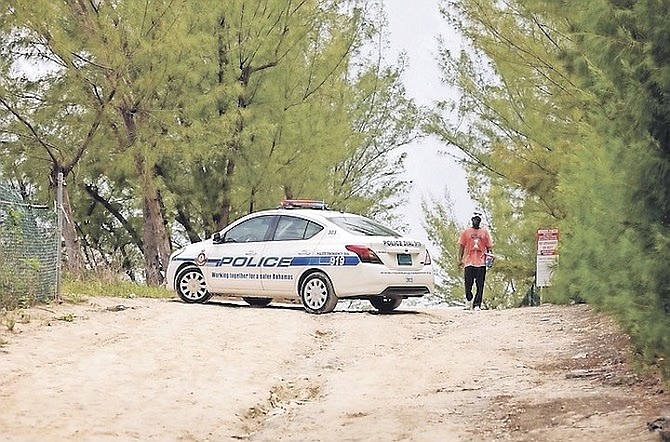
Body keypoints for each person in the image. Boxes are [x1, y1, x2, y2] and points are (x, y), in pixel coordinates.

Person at [457, 210, 494, 310]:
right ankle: (469, 300)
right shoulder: (466, 232)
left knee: (480, 285)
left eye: (478, 219)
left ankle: (477, 304)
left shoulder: (484, 232)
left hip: (481, 262)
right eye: (475, 219)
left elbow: (489, 247)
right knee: (468, 284)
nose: (476, 221)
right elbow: (461, 246)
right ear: (472, 220)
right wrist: (459, 259)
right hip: (469, 261)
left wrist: (490, 258)